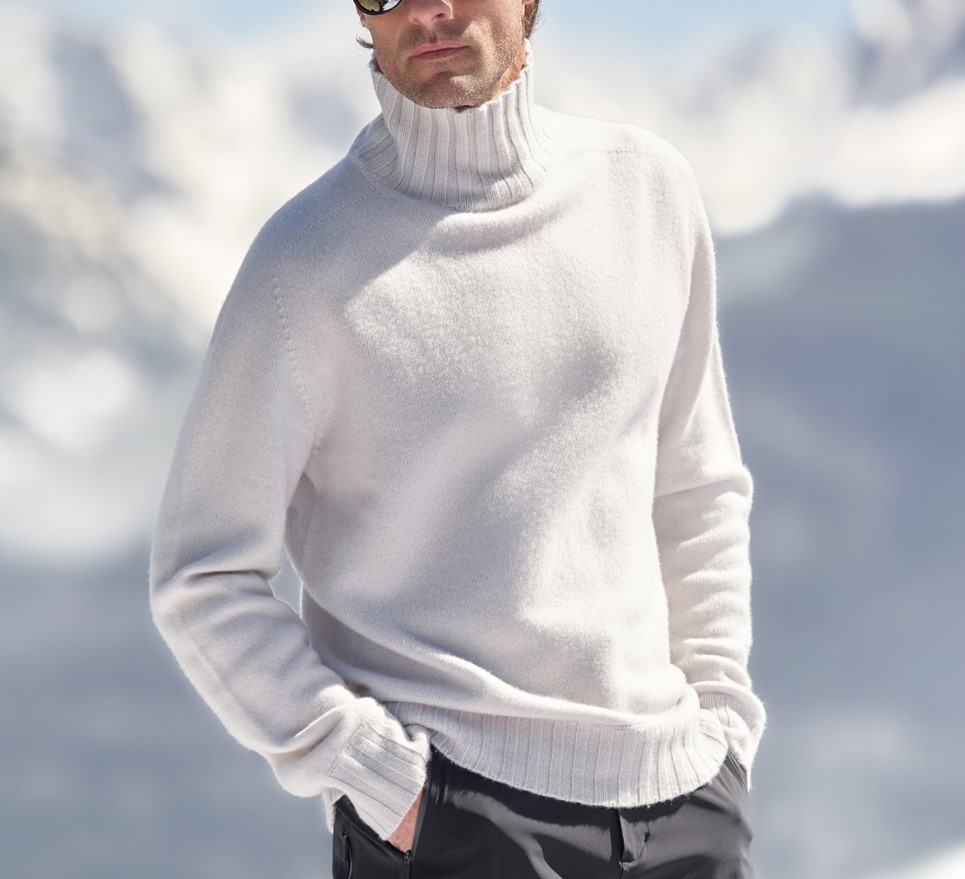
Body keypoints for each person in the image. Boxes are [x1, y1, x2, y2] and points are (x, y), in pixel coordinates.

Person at [148, 0, 766, 876]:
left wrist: (723, 730)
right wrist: (384, 782)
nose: (429, 11)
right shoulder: (304, 263)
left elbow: (696, 486)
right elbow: (201, 577)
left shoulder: (647, 189)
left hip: (683, 806)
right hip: (455, 820)